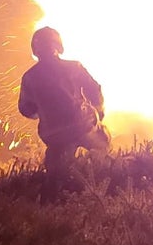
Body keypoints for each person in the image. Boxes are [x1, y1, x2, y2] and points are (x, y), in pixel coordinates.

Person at [18, 27, 110, 192]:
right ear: (58, 46)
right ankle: (105, 186)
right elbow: (95, 90)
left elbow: (25, 109)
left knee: (56, 176)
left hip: (54, 135)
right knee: (103, 148)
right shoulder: (74, 67)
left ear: (35, 49)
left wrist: (43, 113)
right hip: (83, 126)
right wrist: (98, 113)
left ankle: (56, 196)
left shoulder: (29, 77)